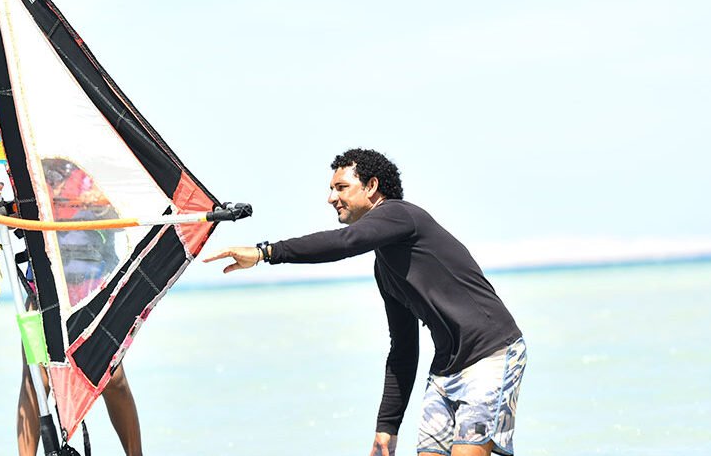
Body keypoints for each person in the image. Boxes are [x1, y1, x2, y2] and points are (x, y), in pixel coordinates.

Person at [203, 149, 526, 456]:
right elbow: (403, 347)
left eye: (341, 187)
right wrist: (387, 426)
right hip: (446, 368)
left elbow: (346, 242)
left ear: (372, 186)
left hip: (491, 352)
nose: (331, 198)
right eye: (331, 189)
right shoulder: (384, 267)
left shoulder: (401, 214)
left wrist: (265, 252)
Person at [0, 178, 143, 456]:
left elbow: (127, 209)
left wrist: (100, 199)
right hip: (44, 289)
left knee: (113, 379)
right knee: (37, 378)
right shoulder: (31, 169)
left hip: (94, 285)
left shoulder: (93, 168)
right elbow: (8, 215)